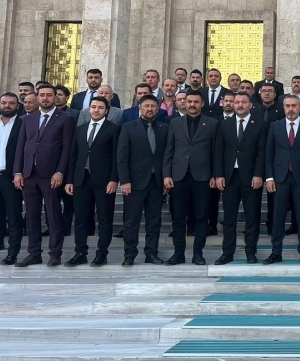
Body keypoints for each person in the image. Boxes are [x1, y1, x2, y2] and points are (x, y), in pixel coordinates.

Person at [13, 83, 75, 267]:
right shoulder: (28, 119)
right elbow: (21, 146)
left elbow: (67, 149)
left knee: (53, 215)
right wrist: (18, 171)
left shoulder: (65, 119)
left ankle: (55, 253)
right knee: (31, 216)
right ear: (37, 97)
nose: (45, 98)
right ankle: (34, 253)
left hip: (51, 175)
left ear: (55, 97)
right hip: (29, 174)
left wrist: (60, 171)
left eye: (49, 95)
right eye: (42, 95)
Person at [163, 90, 221, 265]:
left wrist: (215, 175)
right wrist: (166, 175)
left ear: (202, 104)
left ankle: (198, 254)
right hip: (179, 176)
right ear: (184, 103)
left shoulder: (212, 123)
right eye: (189, 101)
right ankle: (178, 253)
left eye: (196, 102)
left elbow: (216, 152)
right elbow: (169, 150)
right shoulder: (175, 123)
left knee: (201, 218)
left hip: (202, 177)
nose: (192, 105)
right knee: (178, 218)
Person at [63, 96, 120, 267]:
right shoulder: (80, 129)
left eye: (100, 107)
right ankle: (80, 252)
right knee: (80, 219)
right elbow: (73, 156)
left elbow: (117, 157)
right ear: (89, 109)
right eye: (93, 107)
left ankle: (102, 253)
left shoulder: (114, 129)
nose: (96, 110)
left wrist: (114, 179)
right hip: (81, 179)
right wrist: (69, 180)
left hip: (104, 180)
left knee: (104, 218)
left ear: (106, 110)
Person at [214, 92, 267, 265]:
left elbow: (261, 152)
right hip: (230, 177)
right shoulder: (224, 124)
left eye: (244, 102)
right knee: (229, 218)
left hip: (251, 177)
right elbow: (218, 151)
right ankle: (227, 253)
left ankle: (250, 252)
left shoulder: (260, 124)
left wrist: (258, 174)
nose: (240, 105)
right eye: (237, 102)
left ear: (250, 105)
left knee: (252, 217)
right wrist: (219, 174)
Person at [116, 95, 168, 265]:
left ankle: (151, 253)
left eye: (153, 106)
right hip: (134, 182)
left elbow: (166, 156)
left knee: (154, 221)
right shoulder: (128, 127)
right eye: (146, 106)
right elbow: (122, 156)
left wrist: (165, 178)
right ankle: (129, 254)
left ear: (158, 109)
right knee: (131, 221)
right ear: (140, 108)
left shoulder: (164, 128)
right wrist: (124, 180)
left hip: (156, 182)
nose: (150, 109)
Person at [265, 95, 300, 265]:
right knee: (278, 216)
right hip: (280, 177)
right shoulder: (275, 126)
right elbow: (269, 153)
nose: (291, 109)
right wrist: (269, 177)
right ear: (284, 107)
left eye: (294, 105)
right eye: (288, 106)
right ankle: (275, 252)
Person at [0, 93, 24, 263]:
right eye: (4, 103)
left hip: (12, 177)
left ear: (17, 106)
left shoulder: (23, 124)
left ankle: (12, 253)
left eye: (11, 103)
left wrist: (19, 173)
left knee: (14, 216)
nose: (7, 106)